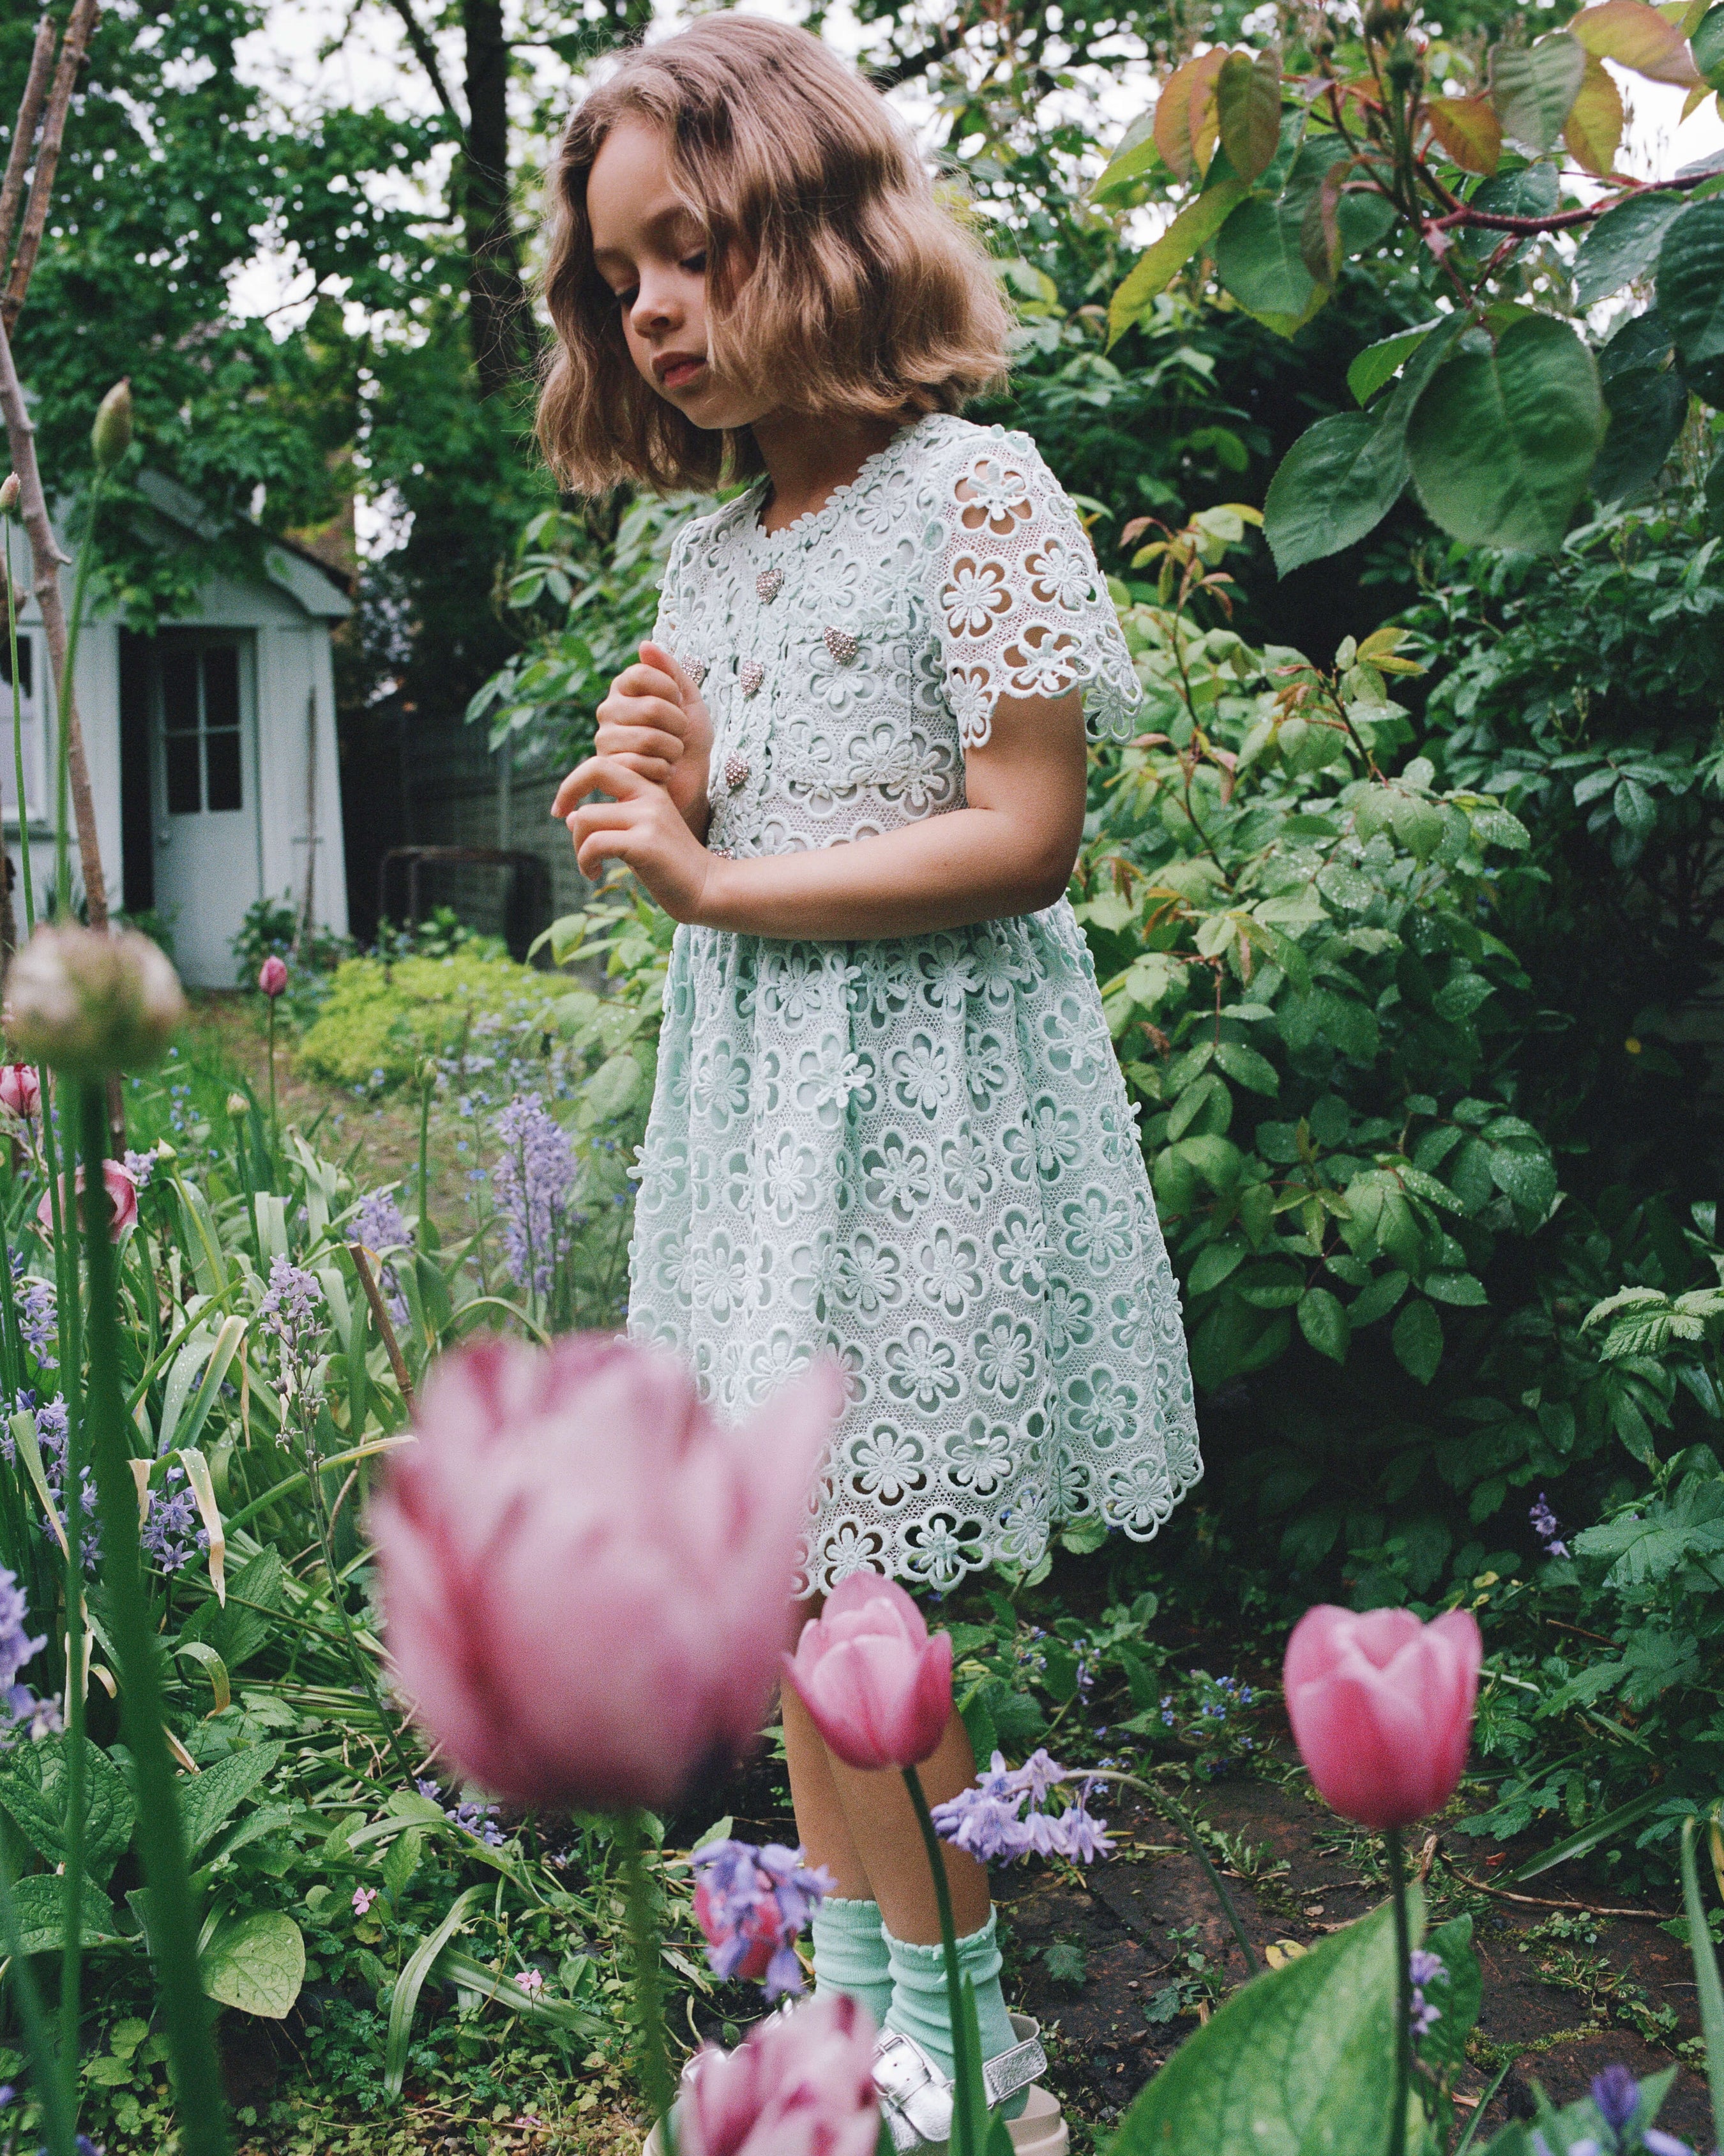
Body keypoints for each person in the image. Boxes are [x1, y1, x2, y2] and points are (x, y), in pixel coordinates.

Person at [541, 16, 1200, 2141]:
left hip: (920, 1124)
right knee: (793, 1587)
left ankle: (968, 2044)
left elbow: (1022, 832)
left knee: (864, 1608)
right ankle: (856, 2014)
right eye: (614, 274)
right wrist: (666, 804)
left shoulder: (972, 492)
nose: (648, 306)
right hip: (757, 1126)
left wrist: (717, 877)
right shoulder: (707, 561)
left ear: (820, 227)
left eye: (689, 248)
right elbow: (747, 830)